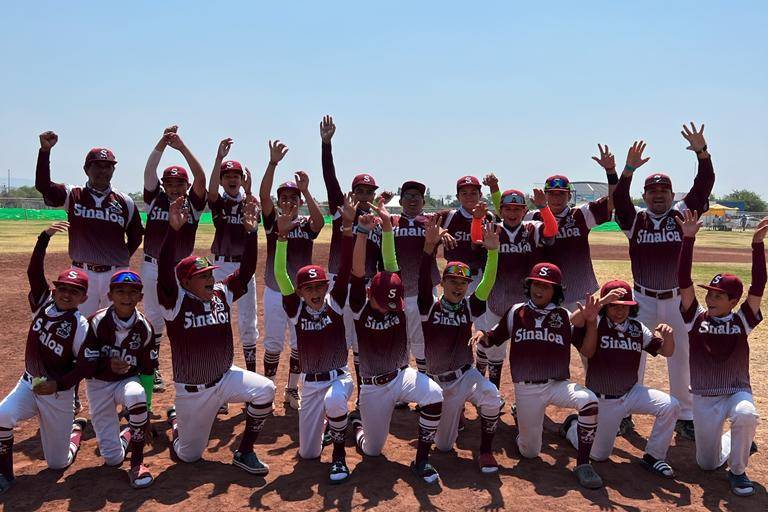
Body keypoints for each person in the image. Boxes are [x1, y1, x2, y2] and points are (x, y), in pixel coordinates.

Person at [613, 123, 715, 440]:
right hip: (641, 298)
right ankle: (624, 412)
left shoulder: (684, 214)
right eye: (652, 192)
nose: (658, 196)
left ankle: (686, 416)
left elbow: (705, 183)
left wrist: (702, 152)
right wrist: (627, 169)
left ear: (673, 195)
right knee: (633, 352)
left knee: (682, 355)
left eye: (664, 192)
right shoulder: (635, 219)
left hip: (677, 299)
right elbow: (618, 199)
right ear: (644, 195)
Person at [159, 198, 276, 474]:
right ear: (186, 282)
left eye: (211, 273)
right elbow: (164, 274)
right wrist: (172, 232)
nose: (211, 279)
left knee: (265, 390)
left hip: (225, 378)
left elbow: (246, 272)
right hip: (193, 393)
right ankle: (178, 424)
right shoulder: (173, 302)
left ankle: (245, 451)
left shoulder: (220, 294)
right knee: (189, 456)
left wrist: (251, 232)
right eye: (203, 276)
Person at [35, 131, 144, 413]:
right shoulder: (75, 195)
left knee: (116, 332)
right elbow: (44, 187)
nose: (103, 170)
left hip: (114, 276)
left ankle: (117, 388)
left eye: (108, 166)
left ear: (113, 170)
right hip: (81, 275)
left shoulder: (125, 202)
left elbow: (135, 236)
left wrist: (119, 261)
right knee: (74, 334)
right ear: (87, 169)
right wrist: (44, 152)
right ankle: (70, 391)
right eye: (97, 165)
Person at [473, 263, 603, 489]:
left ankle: (583, 464)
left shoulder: (564, 316)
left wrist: (591, 323)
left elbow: (588, 351)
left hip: (557, 384)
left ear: (556, 291)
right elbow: (494, 337)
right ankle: (524, 420)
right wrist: (481, 334)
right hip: (528, 389)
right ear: (529, 285)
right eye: (536, 284)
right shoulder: (517, 312)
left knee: (589, 401)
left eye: (546, 286)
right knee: (530, 452)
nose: (539, 290)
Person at [348, 203, 445, 484]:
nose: (392, 307)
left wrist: (390, 231)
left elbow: (392, 267)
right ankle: (357, 426)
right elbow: (356, 273)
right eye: (385, 301)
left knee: (435, 394)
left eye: (395, 302)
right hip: (374, 387)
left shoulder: (397, 303)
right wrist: (363, 234)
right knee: (373, 450)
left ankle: (422, 460)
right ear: (370, 294)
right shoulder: (359, 306)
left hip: (402, 376)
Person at [677, 210, 765, 497]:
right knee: (706, 464)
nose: (710, 298)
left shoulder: (743, 320)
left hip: (736, 390)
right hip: (704, 396)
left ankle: (738, 472)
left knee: (746, 414)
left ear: (733, 301)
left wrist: (756, 245)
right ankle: (737, 442)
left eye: (717, 295)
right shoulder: (695, 318)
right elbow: (683, 281)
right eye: (709, 294)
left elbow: (759, 285)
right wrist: (688, 240)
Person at [0, 222, 93, 494]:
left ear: (83, 297)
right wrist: (44, 238)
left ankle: (75, 430)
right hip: (28, 384)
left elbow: (85, 365)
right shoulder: (42, 302)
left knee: (57, 463)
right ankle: (4, 475)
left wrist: (61, 386)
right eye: (62, 288)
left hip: (57, 395)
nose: (66, 294)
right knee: (2, 415)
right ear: (54, 290)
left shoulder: (80, 325)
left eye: (74, 291)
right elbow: (33, 272)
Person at [274, 193, 356, 483]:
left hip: (339, 378)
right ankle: (327, 430)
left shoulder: (334, 303)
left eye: (319, 285)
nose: (315, 292)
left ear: (326, 285)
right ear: (299, 292)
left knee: (335, 403)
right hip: (310, 384)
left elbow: (346, 270)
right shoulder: (296, 309)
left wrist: (347, 229)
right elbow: (280, 275)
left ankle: (339, 457)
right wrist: (282, 239)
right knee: (307, 453)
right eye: (308, 288)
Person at [563, 280, 680, 478]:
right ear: (606, 306)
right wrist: (601, 302)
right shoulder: (596, 322)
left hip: (631, 392)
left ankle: (654, 456)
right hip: (605, 398)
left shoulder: (636, 328)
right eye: (614, 306)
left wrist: (668, 337)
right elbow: (571, 323)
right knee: (599, 455)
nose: (620, 311)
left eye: (625, 306)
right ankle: (573, 427)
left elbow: (666, 351)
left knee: (671, 405)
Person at [420, 215, 503, 473]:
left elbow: (487, 284)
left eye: (463, 283)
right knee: (444, 446)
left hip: (466, 375)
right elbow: (423, 280)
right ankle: (447, 426)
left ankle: (486, 451)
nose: (458, 287)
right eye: (452, 281)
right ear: (442, 282)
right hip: (438, 382)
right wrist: (428, 248)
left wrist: (493, 253)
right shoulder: (428, 307)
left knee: (492, 397)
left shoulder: (469, 306)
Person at [320, 115, 385, 401]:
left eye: (369, 191)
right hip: (338, 282)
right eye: (359, 190)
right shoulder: (341, 213)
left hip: (366, 285)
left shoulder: (379, 223)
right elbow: (329, 178)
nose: (364, 195)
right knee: (337, 338)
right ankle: (336, 394)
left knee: (361, 340)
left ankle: (363, 394)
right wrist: (326, 145)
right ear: (352, 192)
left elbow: (383, 260)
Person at [141, 125, 207, 392]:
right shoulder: (154, 200)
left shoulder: (193, 205)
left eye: (180, 183)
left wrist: (181, 147)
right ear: (163, 185)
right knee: (154, 318)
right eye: (169, 183)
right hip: (152, 266)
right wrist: (161, 143)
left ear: (186, 185)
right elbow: (149, 172)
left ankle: (189, 365)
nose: (174, 187)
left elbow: (202, 178)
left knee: (182, 316)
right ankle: (153, 367)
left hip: (181, 270)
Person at [260, 140, 324, 410]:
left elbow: (320, 222)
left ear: (298, 202)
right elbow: (263, 196)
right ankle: (268, 389)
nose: (288, 201)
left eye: (292, 198)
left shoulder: (305, 224)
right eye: (283, 197)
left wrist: (306, 192)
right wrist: (273, 163)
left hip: (300, 294)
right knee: (273, 343)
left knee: (299, 343)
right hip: (275, 289)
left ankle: (291, 389)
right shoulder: (273, 222)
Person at [474, 189, 557, 392]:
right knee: (493, 348)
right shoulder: (493, 228)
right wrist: (477, 219)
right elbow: (476, 238)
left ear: (524, 210)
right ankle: (490, 391)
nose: (512, 213)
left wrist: (544, 207)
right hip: (495, 298)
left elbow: (552, 230)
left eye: (517, 209)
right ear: (500, 210)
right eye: (508, 208)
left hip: (523, 302)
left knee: (525, 346)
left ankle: (525, 394)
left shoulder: (532, 228)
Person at [83, 271, 157, 488]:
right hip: (98, 384)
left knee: (136, 394)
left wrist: (147, 414)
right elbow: (85, 364)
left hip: (127, 381)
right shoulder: (96, 322)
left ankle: (137, 464)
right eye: (120, 291)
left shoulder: (145, 327)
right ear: (110, 295)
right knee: (112, 459)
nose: (126, 296)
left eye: (133, 292)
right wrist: (106, 364)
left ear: (140, 297)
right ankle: (127, 433)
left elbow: (147, 371)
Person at [526, 144, 617, 312]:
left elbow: (614, 200)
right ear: (545, 195)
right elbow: (506, 217)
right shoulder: (532, 217)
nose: (556, 198)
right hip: (545, 290)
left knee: (579, 335)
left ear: (569, 195)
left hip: (579, 289)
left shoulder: (581, 214)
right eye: (552, 193)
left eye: (561, 193)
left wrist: (611, 171)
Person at [390, 180, 442, 376]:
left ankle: (423, 383)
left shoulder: (431, 221)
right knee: (400, 338)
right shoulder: (391, 222)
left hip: (425, 289)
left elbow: (443, 230)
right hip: (398, 291)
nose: (413, 200)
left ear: (423, 200)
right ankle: (402, 386)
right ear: (401, 200)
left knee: (422, 338)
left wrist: (443, 233)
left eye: (417, 196)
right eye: (409, 196)